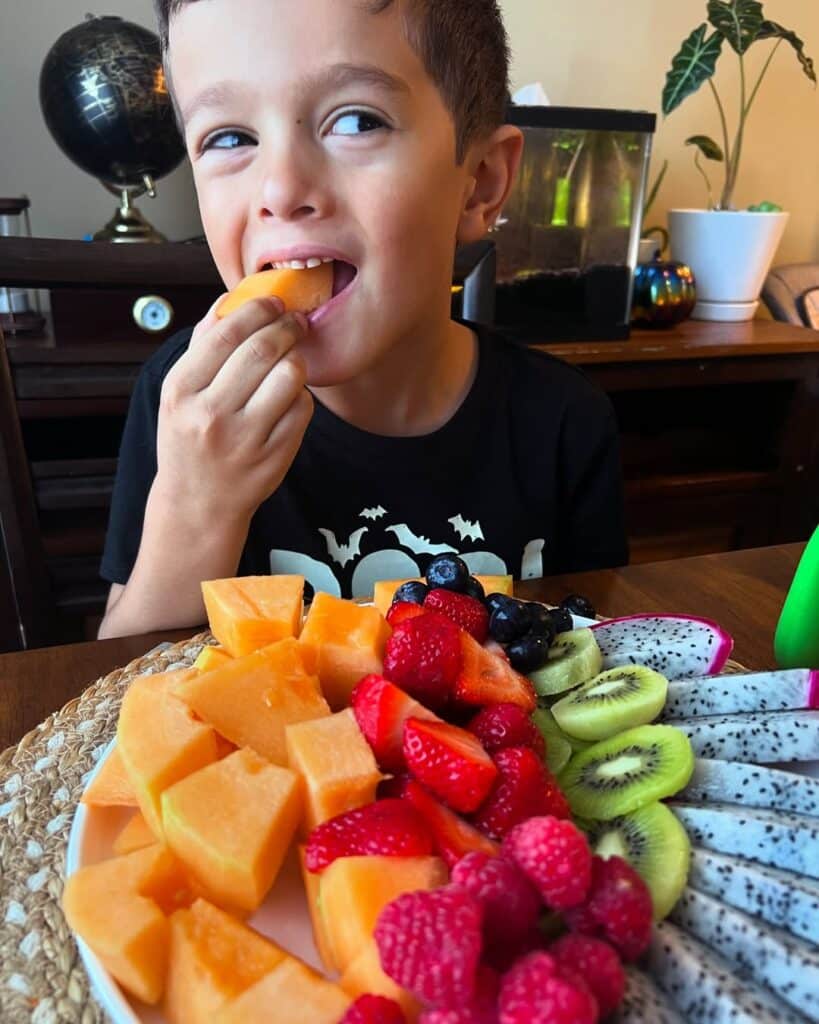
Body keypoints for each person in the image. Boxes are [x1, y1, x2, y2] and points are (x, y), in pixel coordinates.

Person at [98, 0, 627, 639]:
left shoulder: (564, 421)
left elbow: (595, 660)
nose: (279, 190)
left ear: (480, 183)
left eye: (355, 121)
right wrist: (196, 505)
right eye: (230, 138)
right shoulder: (186, 405)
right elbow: (119, 696)